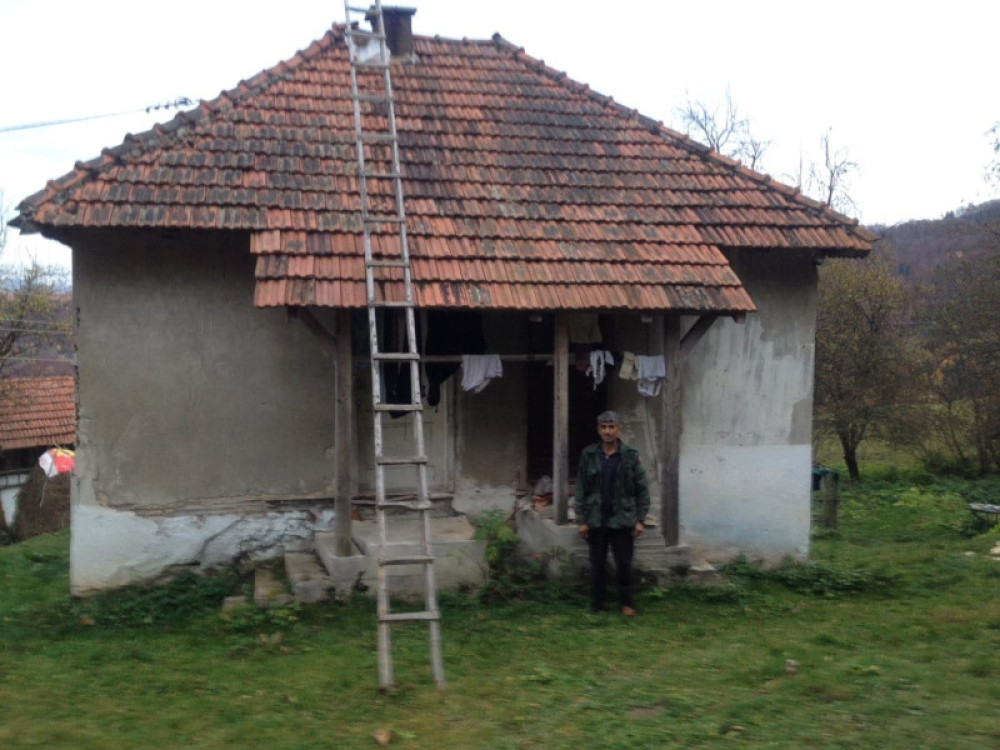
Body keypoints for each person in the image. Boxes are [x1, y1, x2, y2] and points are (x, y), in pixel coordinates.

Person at [575, 410, 650, 616]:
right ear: (598, 430)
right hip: (596, 520)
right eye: (603, 427)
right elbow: (581, 488)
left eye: (611, 427)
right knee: (597, 565)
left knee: (624, 564)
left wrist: (640, 520)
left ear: (619, 430)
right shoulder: (589, 455)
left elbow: (641, 489)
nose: (607, 431)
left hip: (622, 520)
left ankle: (627, 603)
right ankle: (598, 605)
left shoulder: (630, 456)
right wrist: (581, 520)